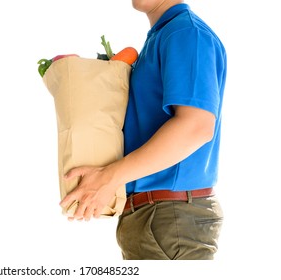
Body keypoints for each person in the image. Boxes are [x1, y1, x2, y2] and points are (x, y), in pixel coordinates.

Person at [59, 0, 227, 260]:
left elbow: (196, 126)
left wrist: (108, 177)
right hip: (157, 217)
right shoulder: (163, 35)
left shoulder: (185, 33)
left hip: (170, 218)